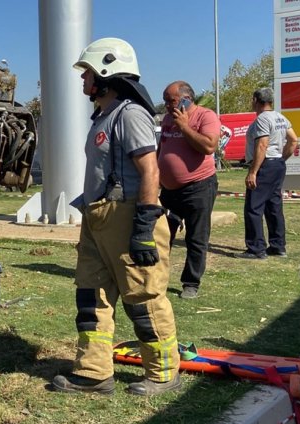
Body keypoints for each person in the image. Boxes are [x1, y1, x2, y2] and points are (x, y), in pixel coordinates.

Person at [51, 38, 180, 396]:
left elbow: (150, 169)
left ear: (107, 72)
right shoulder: (104, 117)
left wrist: (144, 224)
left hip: (127, 216)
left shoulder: (130, 114)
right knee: (92, 297)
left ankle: (164, 373)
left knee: (143, 297)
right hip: (98, 218)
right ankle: (94, 372)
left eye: (87, 72)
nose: (83, 80)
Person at [157, 81, 220, 299]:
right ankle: (157, 279)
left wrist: (184, 126)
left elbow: (209, 146)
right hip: (169, 191)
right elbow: (162, 148)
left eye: (170, 100)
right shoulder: (167, 118)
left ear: (186, 99)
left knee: (196, 237)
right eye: (165, 100)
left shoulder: (205, 116)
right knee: (162, 235)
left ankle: (190, 283)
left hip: (198, 187)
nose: (166, 105)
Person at [235, 87, 299, 259]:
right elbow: (294, 140)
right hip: (277, 164)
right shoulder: (280, 117)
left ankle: (256, 249)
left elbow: (262, 144)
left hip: (265, 165)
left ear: (256, 99)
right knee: (274, 207)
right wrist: (280, 159)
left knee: (253, 207)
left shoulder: (262, 119)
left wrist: (253, 171)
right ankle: (278, 246)